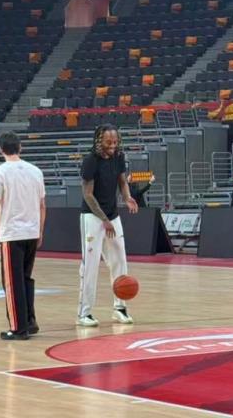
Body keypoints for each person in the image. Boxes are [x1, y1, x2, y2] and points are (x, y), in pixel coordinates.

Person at [77, 124, 138, 327]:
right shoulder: (90, 161)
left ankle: (119, 308)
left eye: (115, 141)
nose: (112, 145)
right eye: (108, 142)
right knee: (90, 264)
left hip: (112, 215)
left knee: (120, 259)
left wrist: (127, 197)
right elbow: (88, 194)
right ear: (99, 140)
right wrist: (104, 220)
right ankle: (84, 313)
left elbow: (122, 181)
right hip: (92, 217)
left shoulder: (119, 156)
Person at [0, 132, 46, 340]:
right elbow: (42, 206)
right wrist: (40, 231)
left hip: (12, 233)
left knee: (12, 282)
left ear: (0, 149)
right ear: (20, 147)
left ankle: (18, 328)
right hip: (32, 231)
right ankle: (30, 322)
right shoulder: (36, 171)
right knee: (25, 278)